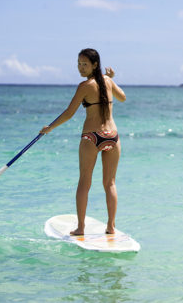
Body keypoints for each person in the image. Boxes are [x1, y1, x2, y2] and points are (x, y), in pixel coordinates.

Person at [40, 48, 126, 235]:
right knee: (110, 183)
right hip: (113, 136)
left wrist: (50, 127)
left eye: (84, 64)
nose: (80, 68)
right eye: (78, 64)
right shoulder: (108, 82)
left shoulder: (84, 86)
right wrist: (111, 78)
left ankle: (81, 228)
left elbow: (69, 113)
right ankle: (111, 227)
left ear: (95, 65)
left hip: (91, 137)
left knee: (84, 183)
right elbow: (123, 97)